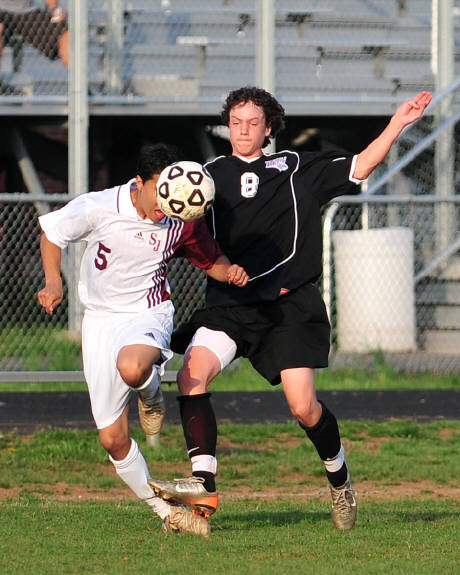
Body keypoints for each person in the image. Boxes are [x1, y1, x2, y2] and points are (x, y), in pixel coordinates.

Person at [148, 88, 433, 531]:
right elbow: (169, 219)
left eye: (252, 122)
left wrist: (397, 123)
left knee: (304, 408)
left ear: (268, 128)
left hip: (288, 306)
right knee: (191, 376)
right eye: (235, 122)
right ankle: (203, 485)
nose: (243, 130)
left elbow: (360, 166)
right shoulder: (206, 176)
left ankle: (339, 481)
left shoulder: (296, 167)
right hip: (231, 304)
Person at [37, 142, 249, 538]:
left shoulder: (182, 218)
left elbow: (211, 261)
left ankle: (150, 394)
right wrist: (53, 282)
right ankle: (168, 512)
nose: (167, 202)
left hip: (148, 314)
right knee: (111, 439)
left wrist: (231, 271)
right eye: (159, 190)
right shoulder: (101, 206)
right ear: (139, 182)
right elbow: (52, 233)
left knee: (132, 366)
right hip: (99, 322)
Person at [0, 0, 69, 79]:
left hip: (25, 12)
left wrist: (55, 9)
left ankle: (77, 82)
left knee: (66, 33)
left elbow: (53, 6)